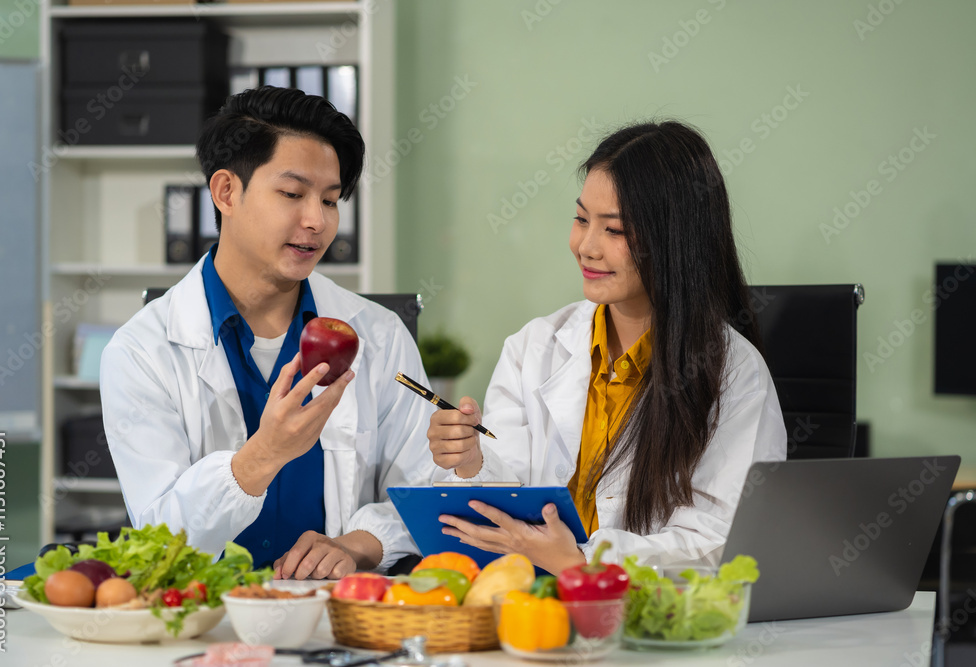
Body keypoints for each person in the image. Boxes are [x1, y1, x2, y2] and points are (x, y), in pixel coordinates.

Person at [100, 86, 434, 579]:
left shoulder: (379, 335)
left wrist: (359, 546)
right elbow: (160, 536)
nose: (317, 221)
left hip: (339, 617)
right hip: (205, 619)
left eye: (330, 200)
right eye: (293, 194)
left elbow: (424, 488)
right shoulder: (140, 351)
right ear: (226, 192)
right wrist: (261, 456)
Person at [428, 121, 787, 574]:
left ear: (675, 239)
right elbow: (508, 491)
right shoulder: (533, 348)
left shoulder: (734, 373)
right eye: (581, 220)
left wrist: (583, 560)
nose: (587, 247)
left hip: (651, 624)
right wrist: (471, 462)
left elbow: (724, 541)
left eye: (615, 230)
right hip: (535, 615)